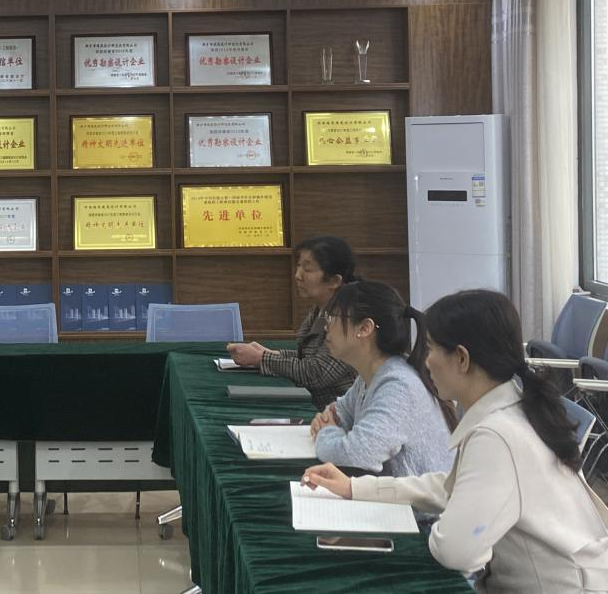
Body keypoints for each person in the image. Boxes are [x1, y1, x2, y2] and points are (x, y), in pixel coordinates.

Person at [302, 290, 608, 592]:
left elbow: (457, 551)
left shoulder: (497, 436)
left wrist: (441, 525)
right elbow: (454, 486)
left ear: (461, 358)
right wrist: (356, 488)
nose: (426, 361)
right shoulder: (510, 410)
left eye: (431, 348)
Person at [310, 280, 455, 477]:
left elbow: (358, 454)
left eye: (332, 317)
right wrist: (328, 422)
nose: (326, 326)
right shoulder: (373, 374)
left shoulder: (398, 386)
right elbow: (339, 413)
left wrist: (326, 431)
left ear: (364, 328)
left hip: (416, 498)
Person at [227, 235, 357, 409]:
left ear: (334, 281)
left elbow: (317, 373)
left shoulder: (349, 317)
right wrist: (270, 354)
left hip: (339, 414)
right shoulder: (322, 307)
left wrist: (262, 358)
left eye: (307, 269)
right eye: (298, 266)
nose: (297, 276)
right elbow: (308, 357)